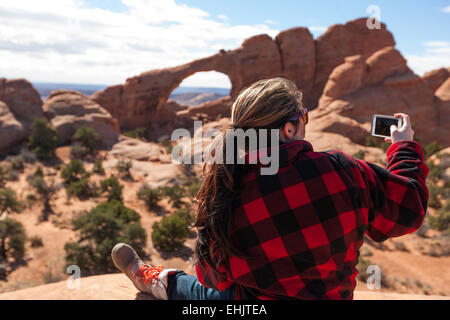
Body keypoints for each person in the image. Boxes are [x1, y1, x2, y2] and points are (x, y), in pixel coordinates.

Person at [111, 78, 429, 300]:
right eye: (303, 117)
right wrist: (403, 147)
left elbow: (213, 278)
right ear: (290, 128)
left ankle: (147, 276)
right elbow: (409, 208)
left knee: (195, 291)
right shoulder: (343, 171)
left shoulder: (227, 186)